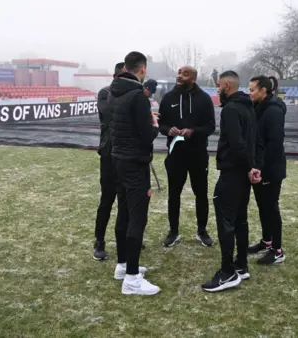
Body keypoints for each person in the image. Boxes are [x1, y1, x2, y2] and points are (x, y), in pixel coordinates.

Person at [202, 70, 263, 293]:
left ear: (227, 86)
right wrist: (253, 167)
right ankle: (242, 265)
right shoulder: (248, 107)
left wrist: (249, 168)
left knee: (226, 220)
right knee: (240, 219)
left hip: (233, 173)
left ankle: (228, 272)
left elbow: (238, 143)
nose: (217, 90)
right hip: (244, 174)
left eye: (219, 86)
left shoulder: (231, 109)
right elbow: (255, 141)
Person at [109, 51, 161, 295]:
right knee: (136, 217)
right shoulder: (137, 96)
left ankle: (123, 265)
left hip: (118, 159)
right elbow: (147, 134)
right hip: (134, 163)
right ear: (142, 69)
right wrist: (155, 124)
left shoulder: (113, 91)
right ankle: (131, 279)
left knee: (124, 212)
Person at [158, 65, 216, 247]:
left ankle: (202, 230)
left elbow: (211, 127)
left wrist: (193, 131)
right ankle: (173, 231)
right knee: (174, 194)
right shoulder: (168, 98)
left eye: (185, 74)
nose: (180, 76)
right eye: (179, 73)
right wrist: (169, 130)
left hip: (198, 155)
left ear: (193, 79)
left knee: (201, 194)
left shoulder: (204, 99)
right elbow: (161, 124)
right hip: (175, 156)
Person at [247, 75, 287, 265]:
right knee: (263, 206)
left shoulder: (273, 111)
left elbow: (274, 144)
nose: (250, 93)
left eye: (252, 89)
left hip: (270, 169)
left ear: (263, 90)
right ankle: (266, 241)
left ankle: (277, 250)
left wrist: (260, 167)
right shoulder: (257, 107)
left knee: (271, 207)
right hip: (259, 167)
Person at [92, 61, 125, 261]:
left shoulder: (134, 95)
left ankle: (126, 238)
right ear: (115, 77)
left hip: (127, 154)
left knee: (126, 201)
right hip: (109, 152)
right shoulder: (105, 93)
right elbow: (109, 115)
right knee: (107, 199)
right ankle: (99, 240)